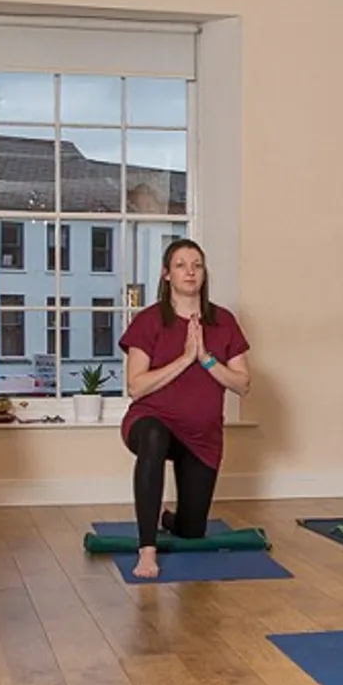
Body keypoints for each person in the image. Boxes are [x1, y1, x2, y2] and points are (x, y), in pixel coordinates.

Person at [119, 238, 252, 579]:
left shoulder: (223, 321)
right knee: (152, 435)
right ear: (166, 274)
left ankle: (166, 518)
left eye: (197, 265)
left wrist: (206, 359)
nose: (190, 271)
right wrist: (184, 358)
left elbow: (242, 384)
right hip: (152, 421)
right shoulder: (149, 321)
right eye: (181, 265)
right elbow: (136, 386)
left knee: (192, 531)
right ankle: (146, 548)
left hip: (201, 436)